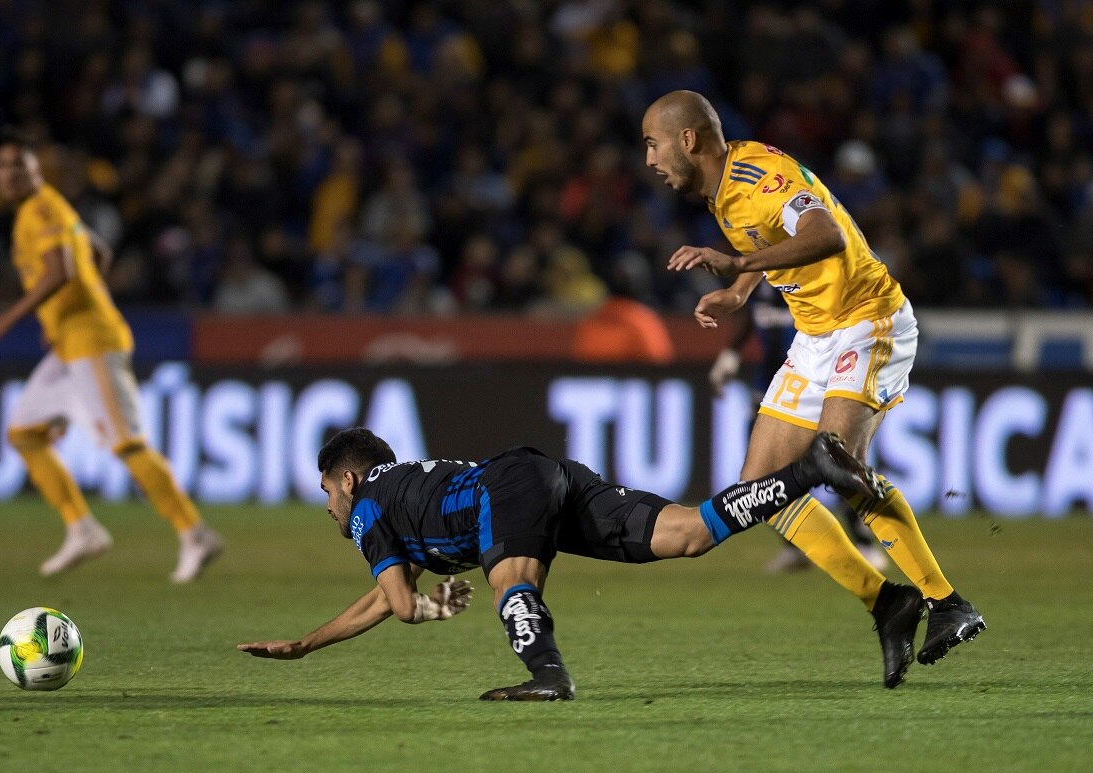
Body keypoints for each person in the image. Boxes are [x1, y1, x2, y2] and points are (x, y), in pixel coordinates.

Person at [642, 90, 984, 672]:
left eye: (652, 144)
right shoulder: (723, 187)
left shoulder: (760, 179)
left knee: (836, 461)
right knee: (760, 494)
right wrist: (738, 291)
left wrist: (738, 267)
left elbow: (828, 235)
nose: (648, 159)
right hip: (816, 334)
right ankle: (887, 604)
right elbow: (767, 242)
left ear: (688, 140)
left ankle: (946, 601)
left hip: (867, 318)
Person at [238, 426, 896, 700]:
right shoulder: (403, 491)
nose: (327, 506)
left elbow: (401, 602)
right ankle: (808, 469)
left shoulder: (366, 506)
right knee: (688, 533)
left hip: (507, 490)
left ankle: (548, 676)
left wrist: (428, 608)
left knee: (511, 582)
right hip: (545, 476)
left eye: (325, 491)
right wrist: (304, 645)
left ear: (347, 479)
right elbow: (389, 600)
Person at [0, 132, 223, 583]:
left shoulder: (41, 208)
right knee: (24, 432)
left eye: (19, 166)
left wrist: (5, 321)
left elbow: (59, 271)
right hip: (70, 342)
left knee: (127, 444)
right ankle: (82, 529)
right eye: (2, 167)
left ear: (36, 171)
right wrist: (64, 315)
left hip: (93, 343)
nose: (9, 175)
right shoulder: (47, 208)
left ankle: (194, 533)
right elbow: (97, 254)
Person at [709, 284, 889, 573]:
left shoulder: (816, 274)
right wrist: (730, 354)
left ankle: (864, 542)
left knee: (837, 460)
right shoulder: (763, 273)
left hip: (816, 385)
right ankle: (797, 547)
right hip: (768, 387)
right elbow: (750, 314)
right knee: (761, 475)